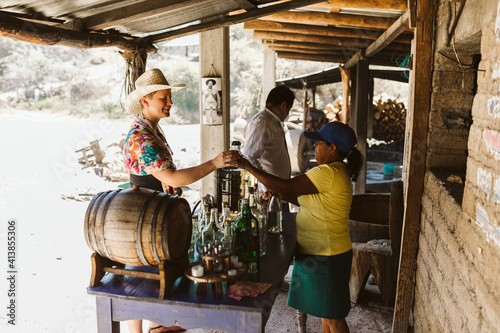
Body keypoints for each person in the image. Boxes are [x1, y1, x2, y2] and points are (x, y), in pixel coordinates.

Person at [122, 68, 239, 333]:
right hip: (144, 222)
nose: (170, 102)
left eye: (169, 97)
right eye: (164, 97)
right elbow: (172, 178)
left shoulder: (152, 129)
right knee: (140, 289)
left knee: (153, 288)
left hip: (155, 218)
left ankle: (157, 327)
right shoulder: (141, 136)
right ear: (146, 100)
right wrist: (214, 163)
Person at [231, 121, 363, 333]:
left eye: (319, 143)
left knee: (333, 317)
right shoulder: (335, 172)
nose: (315, 147)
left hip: (327, 255)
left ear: (332, 148)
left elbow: (286, 185)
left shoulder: (328, 172)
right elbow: (298, 197)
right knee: (325, 313)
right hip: (320, 252)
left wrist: (248, 166)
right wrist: (278, 192)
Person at [241, 85, 295, 207]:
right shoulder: (262, 122)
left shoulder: (273, 122)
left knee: (282, 225)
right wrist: (265, 187)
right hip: (268, 195)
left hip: (279, 193)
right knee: (272, 225)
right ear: (283, 105)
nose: (288, 113)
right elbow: (248, 158)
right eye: (289, 109)